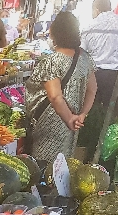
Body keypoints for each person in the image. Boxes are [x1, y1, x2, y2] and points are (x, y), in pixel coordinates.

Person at [25, 11, 97, 162]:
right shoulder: (85, 58)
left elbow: (55, 96)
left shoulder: (51, 61)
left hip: (51, 123)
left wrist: (69, 118)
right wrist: (81, 115)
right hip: (72, 124)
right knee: (63, 166)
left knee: (44, 167)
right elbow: (92, 89)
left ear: (54, 33)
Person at [81, 0, 118, 105]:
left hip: (93, 76)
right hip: (115, 76)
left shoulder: (88, 26)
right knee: (111, 110)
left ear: (96, 9)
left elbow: (82, 55)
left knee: (91, 110)